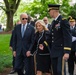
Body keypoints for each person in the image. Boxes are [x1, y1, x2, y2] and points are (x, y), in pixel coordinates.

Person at [48, 4, 72, 75]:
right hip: (54, 50)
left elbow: (67, 37)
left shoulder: (63, 21)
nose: (49, 12)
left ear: (54, 11)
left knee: (60, 71)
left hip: (61, 50)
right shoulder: (53, 22)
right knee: (54, 71)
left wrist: (67, 52)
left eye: (49, 11)